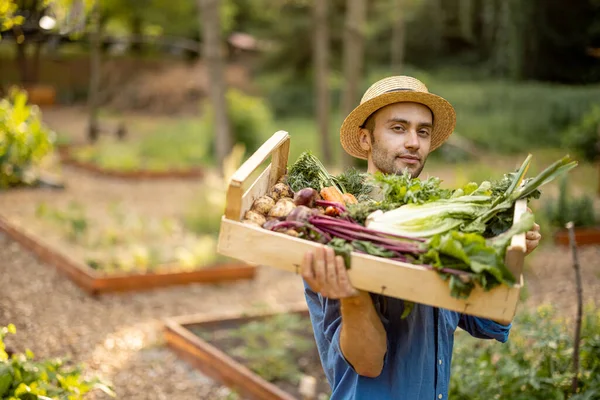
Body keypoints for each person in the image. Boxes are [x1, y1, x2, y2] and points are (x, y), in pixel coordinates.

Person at [301, 76, 542, 400]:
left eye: (423, 131)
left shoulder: (441, 224)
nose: (414, 142)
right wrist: (354, 296)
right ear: (365, 139)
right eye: (398, 128)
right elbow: (367, 364)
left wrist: (511, 251)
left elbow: (488, 322)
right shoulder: (340, 226)